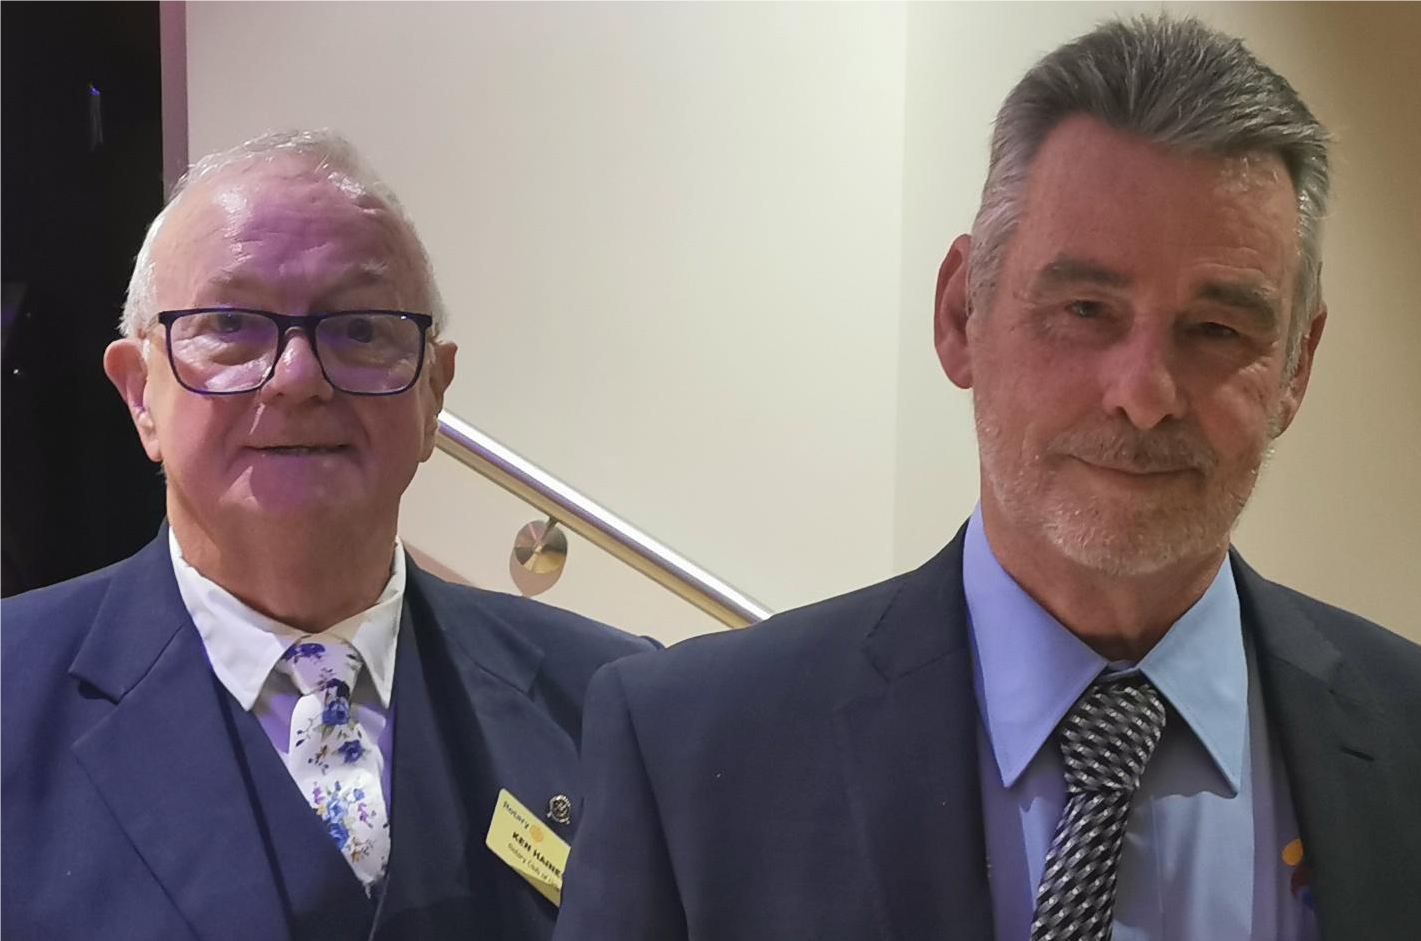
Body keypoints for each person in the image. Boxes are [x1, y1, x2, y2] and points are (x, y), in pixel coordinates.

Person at [553, 16, 1421, 941]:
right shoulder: (691, 749)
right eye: (1084, 308)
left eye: (1216, 329)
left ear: (1295, 366)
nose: (1142, 395)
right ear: (959, 314)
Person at [0, 129, 654, 940]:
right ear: (140, 394)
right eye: (230, 323)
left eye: (361, 328)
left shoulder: (613, 705)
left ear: (433, 393)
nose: (299, 377)